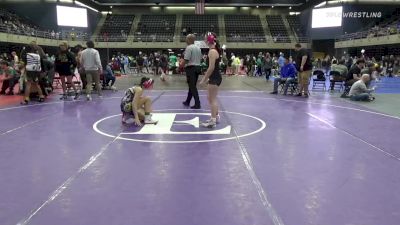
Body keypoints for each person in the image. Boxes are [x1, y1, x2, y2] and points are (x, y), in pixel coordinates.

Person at [200, 32, 222, 128]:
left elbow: (211, 68)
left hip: (214, 77)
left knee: (212, 99)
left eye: (205, 38)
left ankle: (213, 120)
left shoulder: (212, 51)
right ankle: (216, 116)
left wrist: (204, 79)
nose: (204, 40)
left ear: (209, 40)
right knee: (211, 98)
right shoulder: (213, 50)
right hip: (215, 77)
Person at [182, 34, 202, 109]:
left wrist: (180, 66)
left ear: (190, 40)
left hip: (191, 68)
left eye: (186, 39)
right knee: (192, 85)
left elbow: (186, 59)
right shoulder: (198, 48)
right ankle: (187, 101)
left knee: (192, 86)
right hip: (197, 67)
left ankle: (197, 103)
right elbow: (200, 58)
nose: (185, 40)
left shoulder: (189, 48)